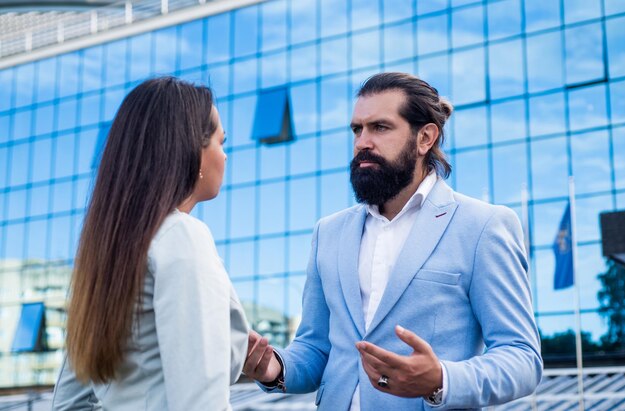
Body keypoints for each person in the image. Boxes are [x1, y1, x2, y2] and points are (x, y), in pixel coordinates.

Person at [244, 72, 542, 410]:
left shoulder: (483, 226)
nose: (362, 142)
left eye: (380, 128)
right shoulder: (328, 233)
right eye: (357, 129)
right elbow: (316, 350)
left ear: (425, 138)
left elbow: (522, 358)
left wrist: (441, 379)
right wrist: (272, 367)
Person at [51, 77, 248, 411]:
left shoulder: (110, 252)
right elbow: (200, 402)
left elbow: (68, 404)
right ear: (192, 150)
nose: (225, 156)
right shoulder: (183, 236)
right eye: (220, 142)